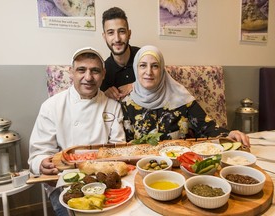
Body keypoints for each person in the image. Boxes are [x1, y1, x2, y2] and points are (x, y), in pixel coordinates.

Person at [28, 47, 126, 215]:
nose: (88, 77)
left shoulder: (113, 106)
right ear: (71, 72)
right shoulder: (52, 106)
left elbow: (119, 150)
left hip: (104, 181)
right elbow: (38, 154)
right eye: (81, 70)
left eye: (95, 71)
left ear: (103, 74)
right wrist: (42, 164)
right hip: (65, 183)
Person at [121, 45, 250, 147]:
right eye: (143, 65)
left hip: (179, 164)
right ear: (135, 69)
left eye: (155, 66)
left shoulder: (181, 98)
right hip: (143, 167)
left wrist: (229, 134)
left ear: (162, 70)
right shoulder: (127, 104)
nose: (148, 72)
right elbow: (126, 145)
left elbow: (206, 126)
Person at [101, 7, 140, 101]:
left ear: (129, 34)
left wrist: (135, 86)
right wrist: (104, 94)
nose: (117, 39)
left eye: (121, 31)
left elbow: (162, 83)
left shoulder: (144, 57)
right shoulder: (103, 71)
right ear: (104, 37)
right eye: (111, 33)